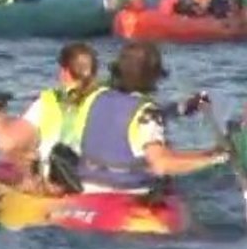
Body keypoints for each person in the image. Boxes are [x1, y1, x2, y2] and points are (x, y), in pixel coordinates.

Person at [72, 42, 227, 194]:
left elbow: (127, 117)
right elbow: (161, 165)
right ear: (153, 77)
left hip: (86, 188)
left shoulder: (94, 97)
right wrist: (215, 160)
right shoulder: (147, 113)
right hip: (130, 192)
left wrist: (185, 107)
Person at [0, 42, 101, 194]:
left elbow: (7, 143)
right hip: (106, 183)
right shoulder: (113, 99)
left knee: (19, 155)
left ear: (65, 72)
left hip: (66, 185)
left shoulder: (48, 103)